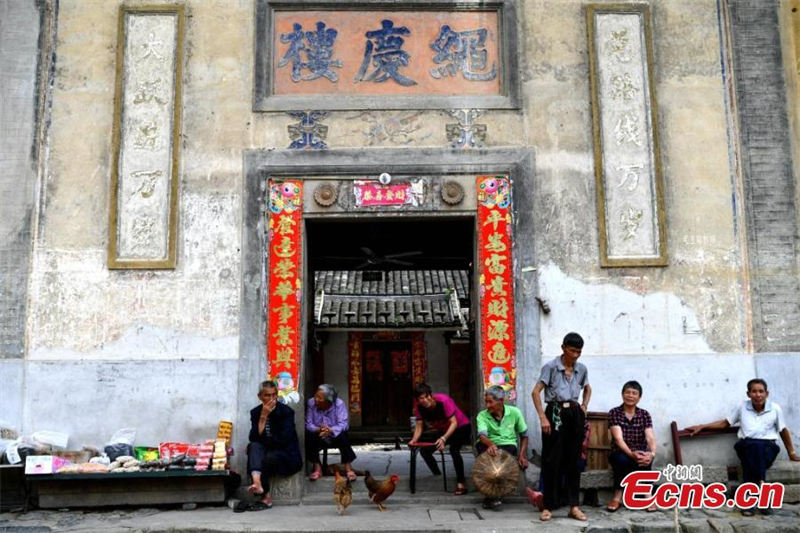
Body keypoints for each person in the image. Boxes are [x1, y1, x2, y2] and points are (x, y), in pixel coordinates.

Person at [686, 378, 800, 516]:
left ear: (767, 393)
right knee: (754, 448)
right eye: (754, 391)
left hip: (768, 448)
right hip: (746, 446)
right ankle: (763, 492)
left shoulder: (775, 408)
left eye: (761, 391)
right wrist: (702, 426)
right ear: (748, 394)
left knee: (755, 454)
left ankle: (749, 503)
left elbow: (783, 430)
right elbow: (725, 423)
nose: (758, 395)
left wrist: (791, 453)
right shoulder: (742, 407)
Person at [531, 332, 591, 522]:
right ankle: (548, 506)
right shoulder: (550, 367)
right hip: (554, 413)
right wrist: (542, 418)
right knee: (551, 461)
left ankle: (574, 506)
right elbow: (535, 392)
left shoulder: (581, 369)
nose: (575, 355)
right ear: (563, 348)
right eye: (572, 351)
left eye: (579, 352)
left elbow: (588, 388)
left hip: (574, 414)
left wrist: (584, 406)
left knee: (574, 461)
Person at [245, 380, 302, 510]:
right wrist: (263, 417)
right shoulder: (256, 412)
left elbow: (283, 440)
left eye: (274, 395)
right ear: (260, 397)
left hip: (287, 456)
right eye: (267, 395)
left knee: (265, 456)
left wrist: (262, 442)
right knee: (253, 447)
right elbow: (253, 437)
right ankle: (257, 483)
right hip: (268, 451)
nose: (271, 399)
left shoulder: (286, 412)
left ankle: (265, 496)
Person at [409, 383, 472, 495]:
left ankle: (461, 483)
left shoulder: (443, 400)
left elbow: (454, 423)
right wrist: (414, 440)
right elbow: (419, 425)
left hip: (461, 427)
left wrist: (443, 438)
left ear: (431, 395)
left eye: (426, 396)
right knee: (425, 451)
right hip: (444, 430)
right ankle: (438, 476)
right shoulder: (419, 407)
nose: (425, 400)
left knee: (454, 450)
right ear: (417, 400)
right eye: (421, 398)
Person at [606, 380, 657, 512]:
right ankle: (617, 497)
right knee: (622, 460)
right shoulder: (615, 412)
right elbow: (618, 438)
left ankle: (647, 496)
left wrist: (651, 454)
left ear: (639, 397)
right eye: (627, 392)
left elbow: (650, 437)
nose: (630, 395)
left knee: (645, 459)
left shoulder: (644, 414)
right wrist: (631, 454)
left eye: (634, 393)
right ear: (622, 395)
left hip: (639, 451)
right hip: (619, 451)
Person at [475, 385, 530, 509]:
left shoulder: (515, 412)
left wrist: (522, 455)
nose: (487, 405)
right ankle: (492, 497)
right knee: (490, 461)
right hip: (487, 443)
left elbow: (524, 435)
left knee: (500, 462)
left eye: (490, 402)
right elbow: (482, 436)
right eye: (486, 402)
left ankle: (491, 497)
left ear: (501, 401)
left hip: (508, 445)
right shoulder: (482, 415)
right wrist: (490, 444)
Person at [305, 384, 357, 481]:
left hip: (335, 435)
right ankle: (317, 469)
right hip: (319, 434)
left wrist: (331, 430)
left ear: (329, 401)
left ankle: (348, 469)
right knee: (309, 436)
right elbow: (309, 424)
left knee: (343, 435)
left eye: (319, 398)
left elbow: (344, 424)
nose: (315, 399)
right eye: (316, 396)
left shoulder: (339, 404)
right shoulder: (311, 403)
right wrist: (319, 429)